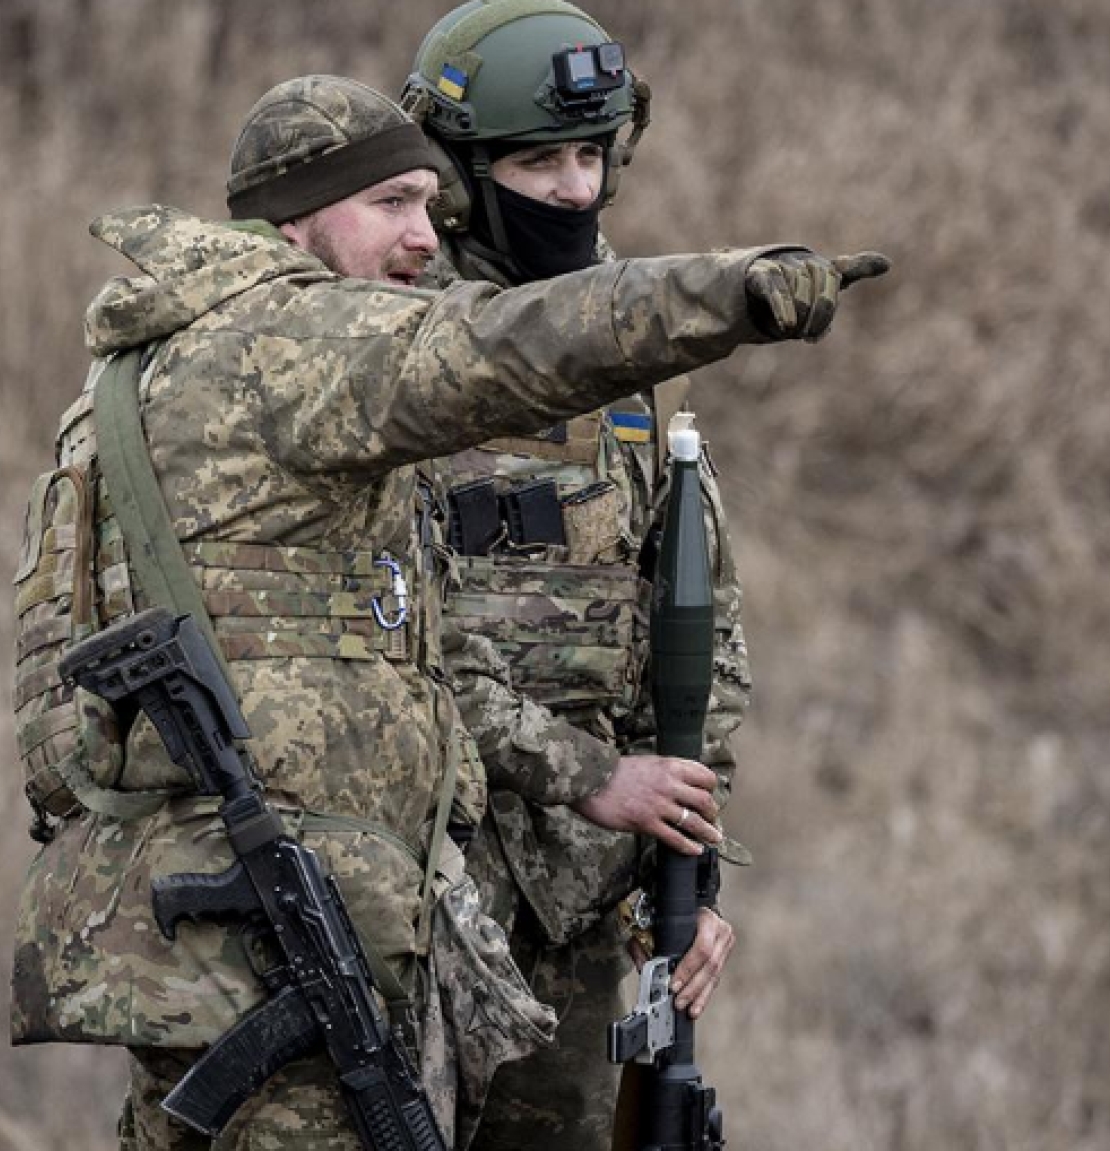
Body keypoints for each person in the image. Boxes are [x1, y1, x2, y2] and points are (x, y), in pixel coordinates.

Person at [8, 74, 884, 1149]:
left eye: (432, 203)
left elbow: (55, 723)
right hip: (282, 931)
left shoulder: (132, 379)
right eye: (392, 205)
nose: (426, 239)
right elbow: (513, 346)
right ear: (296, 221)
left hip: (199, 927)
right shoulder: (294, 349)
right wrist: (732, 293)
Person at [397, 2, 760, 1144]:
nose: (571, 186)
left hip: (584, 916)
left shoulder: (629, 347)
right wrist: (590, 770)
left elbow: (703, 643)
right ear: (459, 174)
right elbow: (375, 641)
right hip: (415, 882)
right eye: (535, 158)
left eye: (589, 154)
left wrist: (690, 892)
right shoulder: (384, 347)